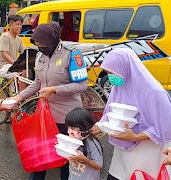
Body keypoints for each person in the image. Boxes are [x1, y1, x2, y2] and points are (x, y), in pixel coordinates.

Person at [12, 22, 88, 180]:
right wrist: (18, 97)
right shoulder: (40, 55)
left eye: (42, 44)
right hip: (46, 117)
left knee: (67, 161)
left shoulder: (72, 54)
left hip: (68, 117)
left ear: (52, 40)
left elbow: (82, 85)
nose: (40, 48)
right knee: (40, 156)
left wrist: (54, 89)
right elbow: (38, 82)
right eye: (37, 45)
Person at [91, 48, 171, 180]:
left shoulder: (155, 93)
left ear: (126, 68)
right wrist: (98, 127)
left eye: (112, 72)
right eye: (108, 72)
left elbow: (166, 126)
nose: (110, 76)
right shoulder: (119, 88)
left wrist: (135, 136)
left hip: (145, 153)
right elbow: (111, 114)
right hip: (122, 154)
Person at [66, 108, 103, 180]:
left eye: (73, 129)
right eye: (68, 127)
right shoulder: (73, 140)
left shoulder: (92, 143)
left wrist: (84, 159)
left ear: (84, 128)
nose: (69, 131)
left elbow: (98, 165)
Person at [0, 14, 27, 91]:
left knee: (26, 72)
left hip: (10, 66)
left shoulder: (19, 39)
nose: (20, 27)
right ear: (10, 26)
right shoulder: (5, 37)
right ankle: (21, 95)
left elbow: (24, 53)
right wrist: (15, 64)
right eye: (17, 24)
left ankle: (19, 93)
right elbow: (4, 53)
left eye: (21, 25)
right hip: (1, 67)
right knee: (20, 74)